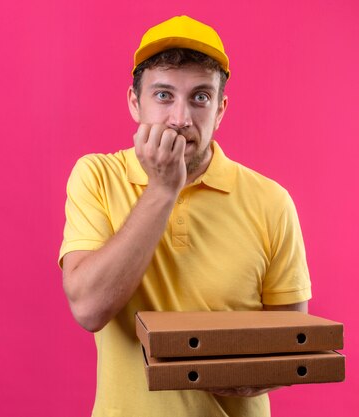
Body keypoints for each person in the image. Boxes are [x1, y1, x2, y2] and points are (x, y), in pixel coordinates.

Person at [59, 15, 312, 417]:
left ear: (221, 109)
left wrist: (253, 375)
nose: (180, 119)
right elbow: (89, 308)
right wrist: (162, 189)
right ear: (133, 102)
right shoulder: (97, 177)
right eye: (163, 95)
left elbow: (294, 341)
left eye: (200, 97)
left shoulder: (272, 201)